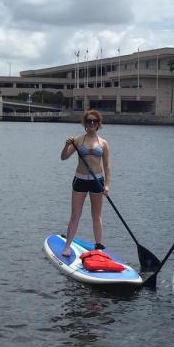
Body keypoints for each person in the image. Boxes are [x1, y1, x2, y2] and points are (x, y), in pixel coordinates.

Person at [59, 109, 110, 258]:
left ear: (98, 124)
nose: (92, 123)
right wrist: (66, 145)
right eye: (89, 121)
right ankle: (67, 246)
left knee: (96, 215)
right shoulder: (78, 140)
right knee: (75, 215)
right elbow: (63, 157)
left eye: (94, 121)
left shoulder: (103, 143)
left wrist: (107, 186)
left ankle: (99, 248)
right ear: (85, 124)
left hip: (97, 181)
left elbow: (107, 166)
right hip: (80, 180)